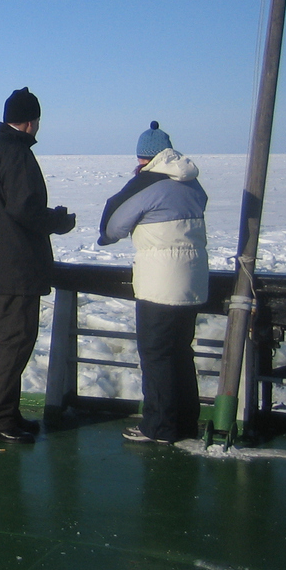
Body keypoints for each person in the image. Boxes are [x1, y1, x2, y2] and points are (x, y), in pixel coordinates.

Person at [0, 87, 76, 444]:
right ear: (31, 122)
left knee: (6, 343)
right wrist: (58, 220)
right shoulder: (16, 154)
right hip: (15, 268)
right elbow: (24, 209)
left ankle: (5, 414)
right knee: (15, 343)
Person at [98, 122, 208, 444]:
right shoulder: (193, 184)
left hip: (160, 283)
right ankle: (186, 423)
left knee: (156, 353)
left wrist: (106, 235)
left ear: (145, 158)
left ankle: (159, 426)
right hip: (193, 280)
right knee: (180, 352)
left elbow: (115, 225)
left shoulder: (148, 184)